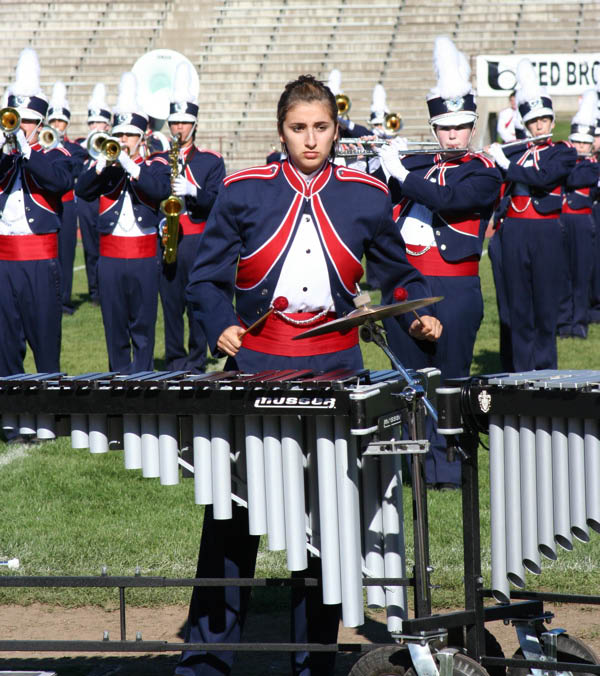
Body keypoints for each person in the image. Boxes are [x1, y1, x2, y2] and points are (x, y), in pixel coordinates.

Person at [176, 74, 442, 676]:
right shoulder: (244, 192)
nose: (311, 139)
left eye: (321, 127)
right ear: (282, 131)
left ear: (336, 129)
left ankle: (314, 661)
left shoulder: (366, 195)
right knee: (231, 516)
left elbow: (400, 277)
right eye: (299, 128)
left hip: (337, 372)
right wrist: (220, 322)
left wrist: (417, 312)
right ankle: (207, 662)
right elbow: (205, 280)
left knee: (325, 526)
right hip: (257, 369)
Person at [377, 36, 502, 489]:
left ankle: (449, 469)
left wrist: (401, 173)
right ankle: (414, 468)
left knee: (450, 381)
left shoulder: (484, 170)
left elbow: (450, 200)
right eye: (444, 127)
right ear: (432, 128)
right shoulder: (411, 164)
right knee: (409, 383)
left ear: (471, 127)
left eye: (461, 126)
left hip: (455, 290)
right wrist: (378, 164)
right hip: (407, 288)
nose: (452, 135)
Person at [75, 71, 170, 373]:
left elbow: (159, 191)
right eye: (120, 135)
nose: (123, 140)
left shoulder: (156, 165)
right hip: (111, 259)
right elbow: (82, 190)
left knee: (142, 329)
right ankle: (117, 381)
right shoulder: (106, 168)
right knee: (114, 328)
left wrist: (131, 165)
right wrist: (102, 164)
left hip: (144, 257)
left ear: (142, 138)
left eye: (129, 135)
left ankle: (142, 381)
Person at [486, 58, 577, 371]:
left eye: (544, 120)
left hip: (546, 234)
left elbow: (542, 178)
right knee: (519, 308)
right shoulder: (514, 150)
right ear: (525, 123)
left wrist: (504, 162)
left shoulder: (563, 151)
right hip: (513, 234)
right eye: (533, 121)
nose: (538, 126)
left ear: (552, 122)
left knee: (545, 307)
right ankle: (521, 372)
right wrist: (490, 157)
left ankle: (546, 372)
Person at [0, 49, 73, 381]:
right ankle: (13, 418)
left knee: (44, 340)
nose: (21, 124)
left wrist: (27, 151)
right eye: (16, 116)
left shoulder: (55, 153)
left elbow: (59, 182)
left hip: (41, 262)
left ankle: (44, 423)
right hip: (4, 260)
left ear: (40, 123)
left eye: (28, 119)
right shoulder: (3, 152)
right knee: (5, 342)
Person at [158, 61, 226, 372]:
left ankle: (197, 362)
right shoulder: (157, 159)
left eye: (185, 122)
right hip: (169, 238)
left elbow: (216, 201)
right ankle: (175, 362)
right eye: (174, 123)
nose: (179, 129)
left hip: (198, 240)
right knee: (171, 306)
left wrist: (192, 190)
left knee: (197, 304)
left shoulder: (211, 161)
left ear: (195, 124)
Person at [556, 90, 599, 339]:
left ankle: (579, 321)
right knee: (563, 273)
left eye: (584, 143)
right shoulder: (562, 162)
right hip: (561, 220)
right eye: (577, 143)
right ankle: (563, 322)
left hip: (582, 221)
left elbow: (577, 178)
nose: (580, 147)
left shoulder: (592, 166)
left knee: (582, 272)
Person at [47, 81, 87, 314]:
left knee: (67, 251)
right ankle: (49, 298)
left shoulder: (74, 148)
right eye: (53, 121)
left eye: (61, 121)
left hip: (67, 204)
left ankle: (64, 300)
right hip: (47, 205)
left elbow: (75, 166)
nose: (57, 125)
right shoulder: (42, 146)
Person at [77, 83, 113, 306]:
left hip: (107, 201)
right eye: (92, 122)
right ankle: (94, 292)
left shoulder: (113, 147)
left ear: (108, 125)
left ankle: (109, 288)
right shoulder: (81, 148)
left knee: (108, 247)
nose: (95, 127)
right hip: (88, 203)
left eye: (99, 122)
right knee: (91, 248)